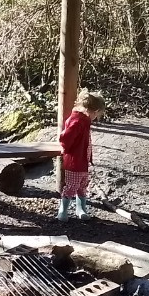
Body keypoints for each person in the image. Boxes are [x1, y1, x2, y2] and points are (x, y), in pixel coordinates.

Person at [57, 92, 106, 221]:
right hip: (75, 161)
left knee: (82, 186)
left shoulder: (83, 121)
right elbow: (65, 138)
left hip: (83, 161)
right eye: (97, 115)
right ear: (94, 111)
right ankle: (63, 210)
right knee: (71, 186)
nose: (96, 117)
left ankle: (81, 209)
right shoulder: (78, 121)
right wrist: (67, 148)